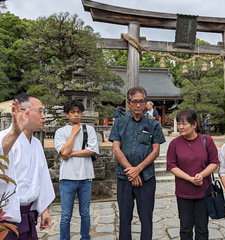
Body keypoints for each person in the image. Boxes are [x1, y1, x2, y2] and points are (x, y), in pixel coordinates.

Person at [108, 87, 166, 240]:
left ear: (146, 103)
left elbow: (155, 151)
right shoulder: (120, 123)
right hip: (124, 177)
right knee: (124, 218)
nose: (139, 105)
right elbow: (116, 149)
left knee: (146, 218)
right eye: (135, 102)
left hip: (146, 177)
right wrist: (131, 171)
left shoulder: (153, 124)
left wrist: (138, 169)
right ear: (129, 103)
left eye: (142, 101)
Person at [0, 93, 55, 239]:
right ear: (24, 112)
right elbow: (1, 154)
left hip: (29, 213)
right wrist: (14, 133)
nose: (44, 116)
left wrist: (44, 209)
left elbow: (42, 177)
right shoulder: (4, 138)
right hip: (6, 217)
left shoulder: (36, 143)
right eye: (40, 111)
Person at [166, 109, 219, 240]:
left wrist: (201, 175)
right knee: (185, 229)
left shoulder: (207, 140)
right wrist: (189, 179)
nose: (180, 127)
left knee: (202, 229)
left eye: (184, 123)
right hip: (183, 193)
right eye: (179, 124)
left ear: (194, 124)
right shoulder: (174, 144)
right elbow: (171, 166)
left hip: (203, 191)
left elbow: (214, 162)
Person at [54, 99, 99, 240]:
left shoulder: (89, 129)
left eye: (78, 112)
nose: (76, 115)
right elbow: (62, 151)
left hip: (85, 177)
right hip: (67, 178)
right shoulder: (61, 132)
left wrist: (71, 153)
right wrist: (73, 133)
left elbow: (92, 150)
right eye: (72, 112)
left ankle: (85, 237)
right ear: (67, 114)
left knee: (85, 213)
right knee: (66, 214)